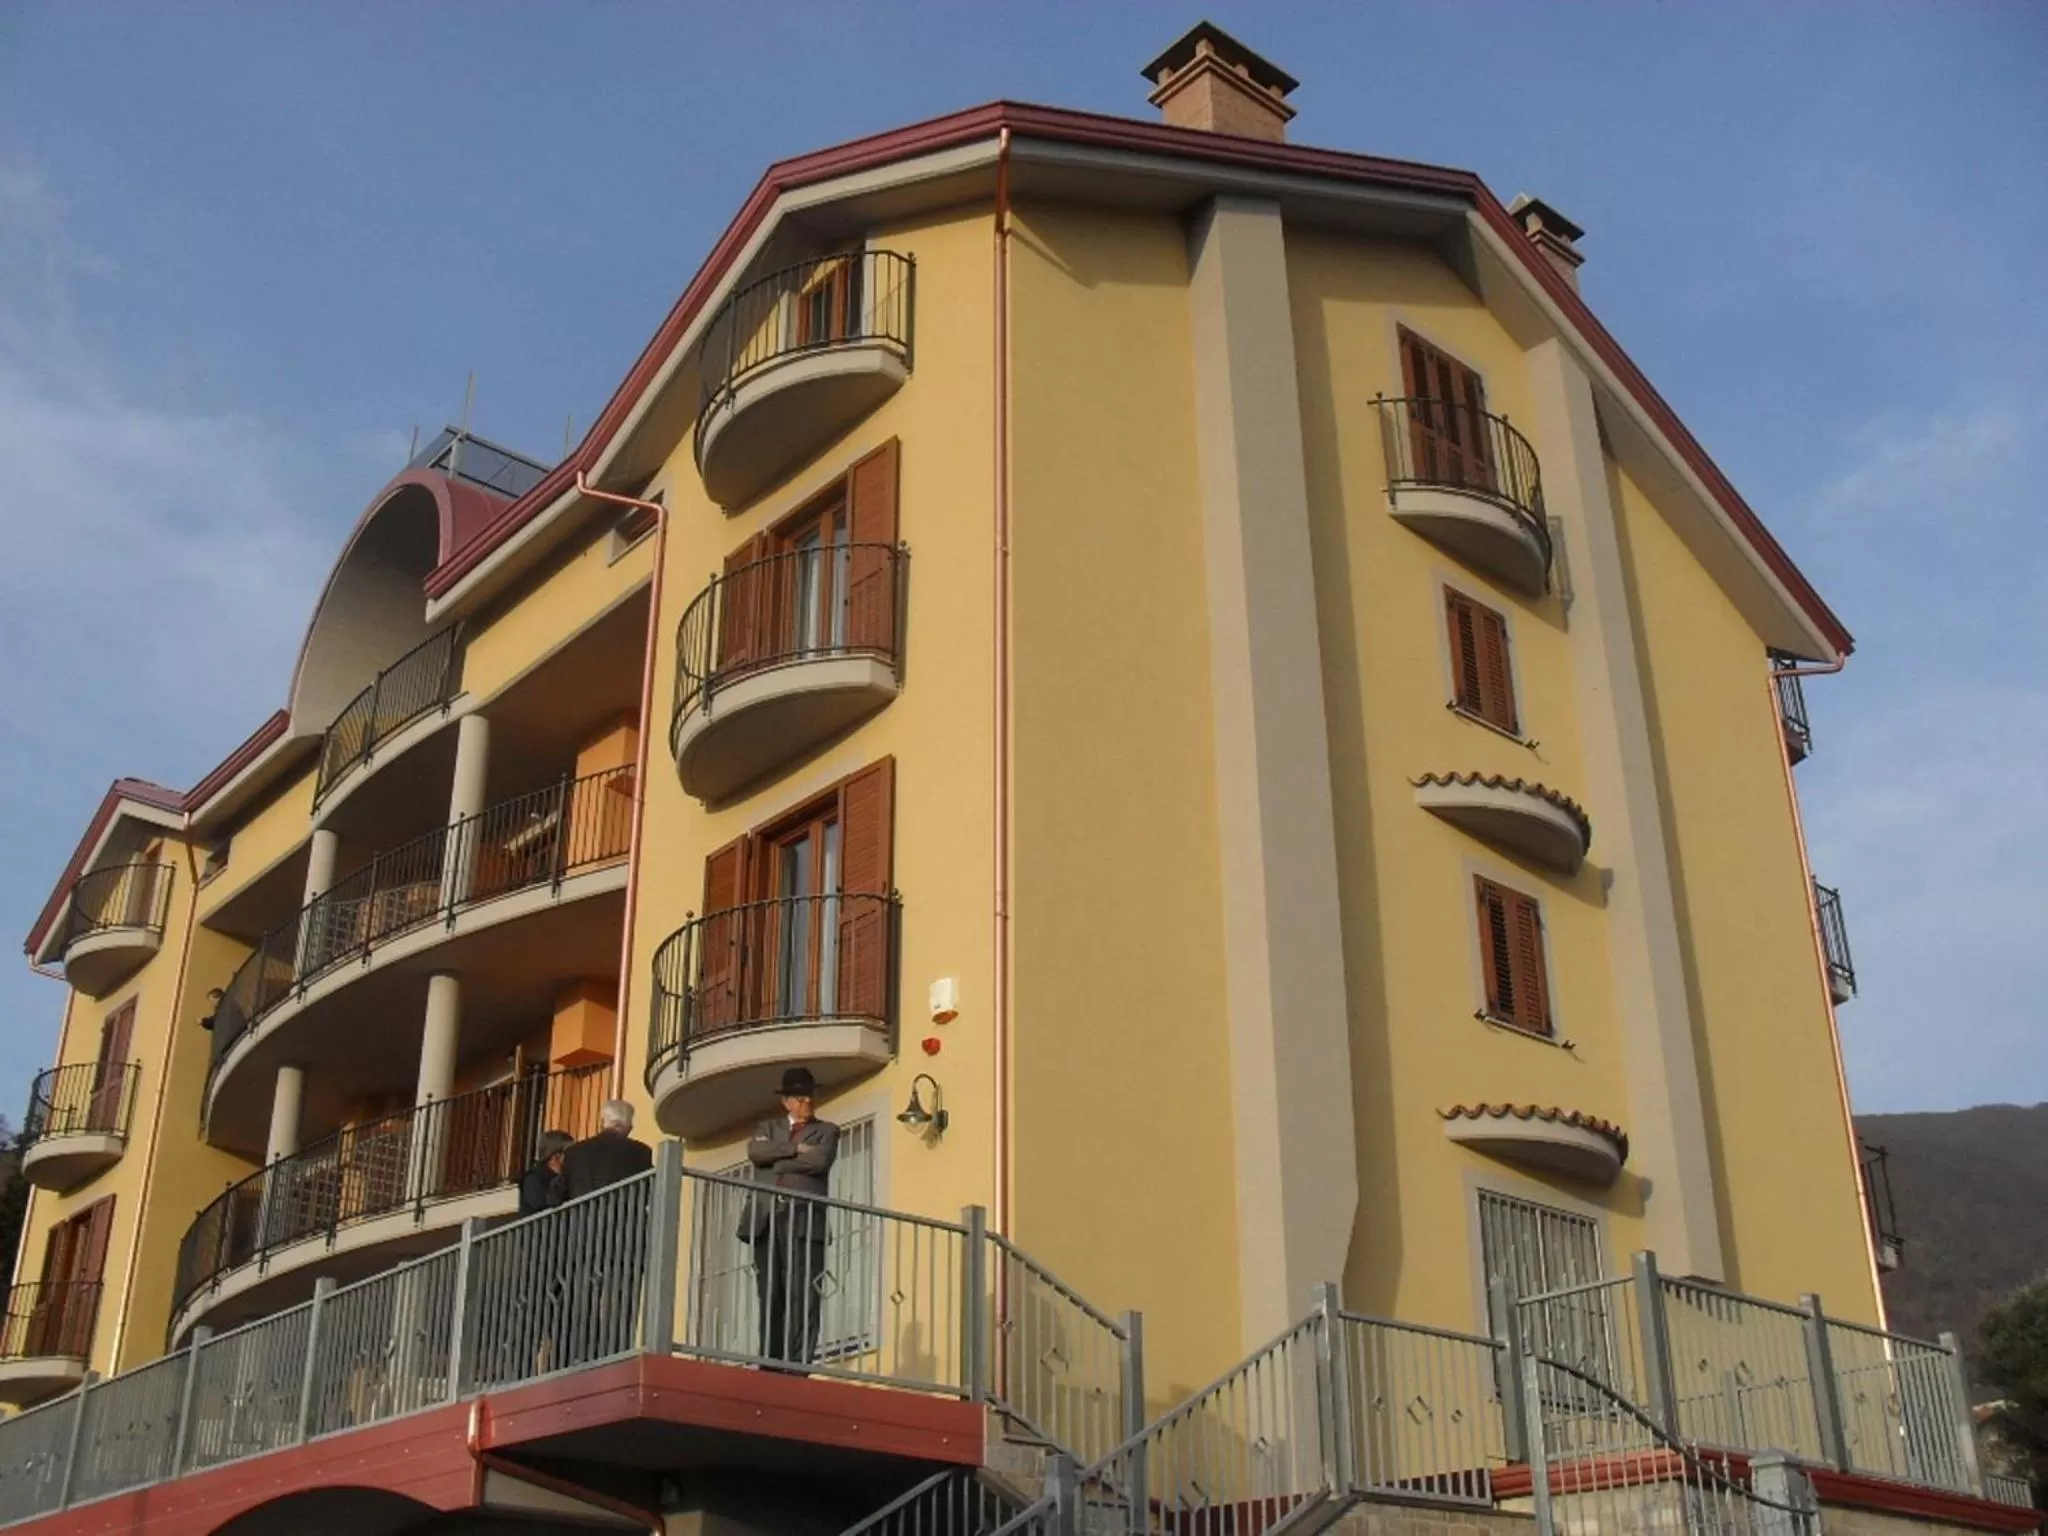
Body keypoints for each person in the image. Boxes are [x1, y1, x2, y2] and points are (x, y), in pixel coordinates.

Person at [742, 1067, 840, 1369]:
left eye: (810, 1097)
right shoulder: (767, 1126)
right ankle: (770, 1361)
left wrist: (778, 1161)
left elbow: (820, 1161)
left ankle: (798, 1363)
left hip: (804, 1219)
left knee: (803, 1293)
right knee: (770, 1292)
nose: (807, 1103)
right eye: (800, 1098)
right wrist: (795, 1149)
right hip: (767, 1218)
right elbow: (756, 1152)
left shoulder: (827, 1130)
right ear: (786, 1102)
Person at [561, 1099, 653, 1199]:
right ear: (629, 1127)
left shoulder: (574, 1152)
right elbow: (649, 1190)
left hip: (581, 1213)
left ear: (601, 1122)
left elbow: (560, 1192)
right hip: (624, 1213)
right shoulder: (642, 1152)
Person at [517, 1129, 573, 1217]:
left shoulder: (570, 1177)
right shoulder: (532, 1178)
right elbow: (539, 1203)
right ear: (555, 1157)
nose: (574, 1155)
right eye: (570, 1152)